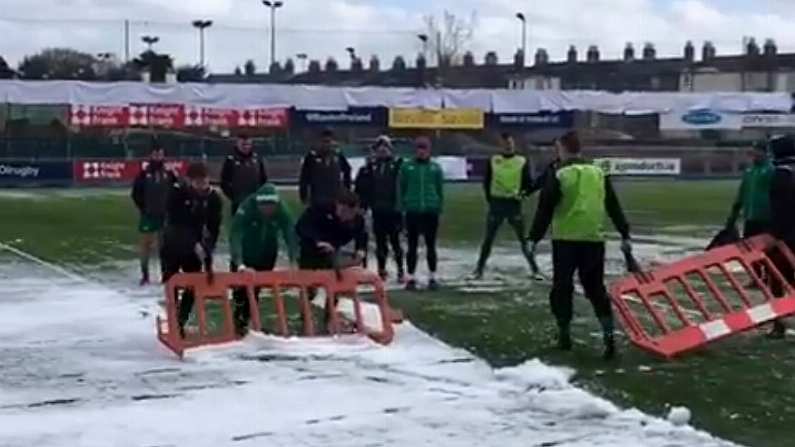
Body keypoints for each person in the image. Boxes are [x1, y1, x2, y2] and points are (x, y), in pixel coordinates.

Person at [528, 130, 631, 360]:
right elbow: (613, 206)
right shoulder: (598, 172)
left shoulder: (560, 174)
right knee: (596, 289)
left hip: (566, 239)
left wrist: (533, 238)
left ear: (562, 149)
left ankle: (564, 334)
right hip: (594, 239)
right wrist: (624, 232)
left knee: (562, 288)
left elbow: (545, 208)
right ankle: (608, 337)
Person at [160, 162, 223, 337]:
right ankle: (173, 319)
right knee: (171, 283)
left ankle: (180, 322)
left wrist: (208, 256)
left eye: (204, 181)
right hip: (173, 244)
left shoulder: (214, 199)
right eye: (197, 182)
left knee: (193, 284)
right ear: (190, 181)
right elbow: (175, 223)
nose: (202, 186)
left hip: (194, 248)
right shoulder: (177, 194)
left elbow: (213, 228)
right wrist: (193, 243)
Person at [228, 183, 298, 336]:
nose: (268, 211)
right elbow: (235, 234)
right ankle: (237, 324)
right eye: (265, 207)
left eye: (271, 207)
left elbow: (290, 233)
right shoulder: (246, 207)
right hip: (246, 254)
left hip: (266, 254)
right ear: (258, 203)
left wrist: (293, 260)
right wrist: (239, 263)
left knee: (255, 290)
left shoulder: (280, 209)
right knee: (240, 293)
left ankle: (247, 323)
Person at [295, 189, 368, 331]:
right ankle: (305, 317)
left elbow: (362, 235)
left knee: (335, 283)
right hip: (311, 250)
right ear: (338, 205)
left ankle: (329, 318)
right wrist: (318, 241)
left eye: (351, 214)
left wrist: (360, 251)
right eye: (344, 212)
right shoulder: (319, 209)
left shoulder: (357, 220)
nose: (346, 217)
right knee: (309, 286)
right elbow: (301, 227)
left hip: (333, 251)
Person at [472, 132, 538, 280]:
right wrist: (491, 199)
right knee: (488, 239)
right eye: (505, 143)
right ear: (500, 144)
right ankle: (479, 269)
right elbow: (486, 182)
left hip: (513, 205)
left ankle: (535, 269)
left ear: (513, 144)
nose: (508, 145)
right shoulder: (494, 160)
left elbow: (529, 184)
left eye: (510, 143)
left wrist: (521, 197)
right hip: (497, 204)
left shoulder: (522, 161)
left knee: (523, 239)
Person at [355, 135, 405, 282]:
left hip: (394, 210)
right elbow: (362, 188)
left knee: (396, 242)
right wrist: (363, 206)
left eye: (386, 147)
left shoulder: (398, 166)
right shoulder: (370, 168)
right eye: (379, 148)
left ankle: (401, 270)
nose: (382, 150)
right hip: (377, 210)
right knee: (380, 243)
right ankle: (381, 270)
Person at [399, 136, 444, 291]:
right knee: (412, 246)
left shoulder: (435, 168)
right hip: (412, 211)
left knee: (431, 245)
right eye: (419, 148)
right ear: (415, 150)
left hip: (430, 211)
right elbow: (401, 188)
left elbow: (440, 189)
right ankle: (410, 277)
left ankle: (432, 276)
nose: (421, 151)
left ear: (428, 150)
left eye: (424, 148)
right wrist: (402, 207)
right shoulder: (407, 167)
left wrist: (439, 206)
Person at [131, 141, 178, 285]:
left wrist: (172, 209)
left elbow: (177, 192)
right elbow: (135, 193)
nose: (158, 156)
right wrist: (144, 208)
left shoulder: (169, 173)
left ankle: (166, 274)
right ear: (151, 155)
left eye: (160, 154)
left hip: (165, 215)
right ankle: (145, 275)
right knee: (145, 245)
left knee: (164, 246)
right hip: (148, 215)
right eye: (155, 154)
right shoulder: (144, 174)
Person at [766, 135, 795, 339]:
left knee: (776, 280)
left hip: (786, 237)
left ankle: (779, 324)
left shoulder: (781, 175)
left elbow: (779, 209)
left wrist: (775, 235)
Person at [726, 141, 774, 238]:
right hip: (750, 218)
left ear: (766, 153)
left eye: (758, 151)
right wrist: (733, 217)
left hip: (766, 219)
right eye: (754, 150)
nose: (754, 153)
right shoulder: (749, 171)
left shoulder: (771, 170)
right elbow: (741, 195)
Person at [299, 128, 353, 212]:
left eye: (329, 141)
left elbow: (347, 170)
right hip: (318, 199)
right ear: (319, 142)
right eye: (324, 141)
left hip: (335, 199)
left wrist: (346, 189)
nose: (326, 144)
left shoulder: (337, 155)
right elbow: (304, 178)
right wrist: (304, 196)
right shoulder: (312, 157)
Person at [220, 134, 268, 215]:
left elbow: (263, 179)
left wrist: (259, 194)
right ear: (237, 144)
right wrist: (233, 197)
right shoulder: (230, 160)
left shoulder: (257, 158)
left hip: (255, 201)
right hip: (238, 202)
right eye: (243, 144)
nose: (246, 147)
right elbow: (224, 181)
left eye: (248, 144)